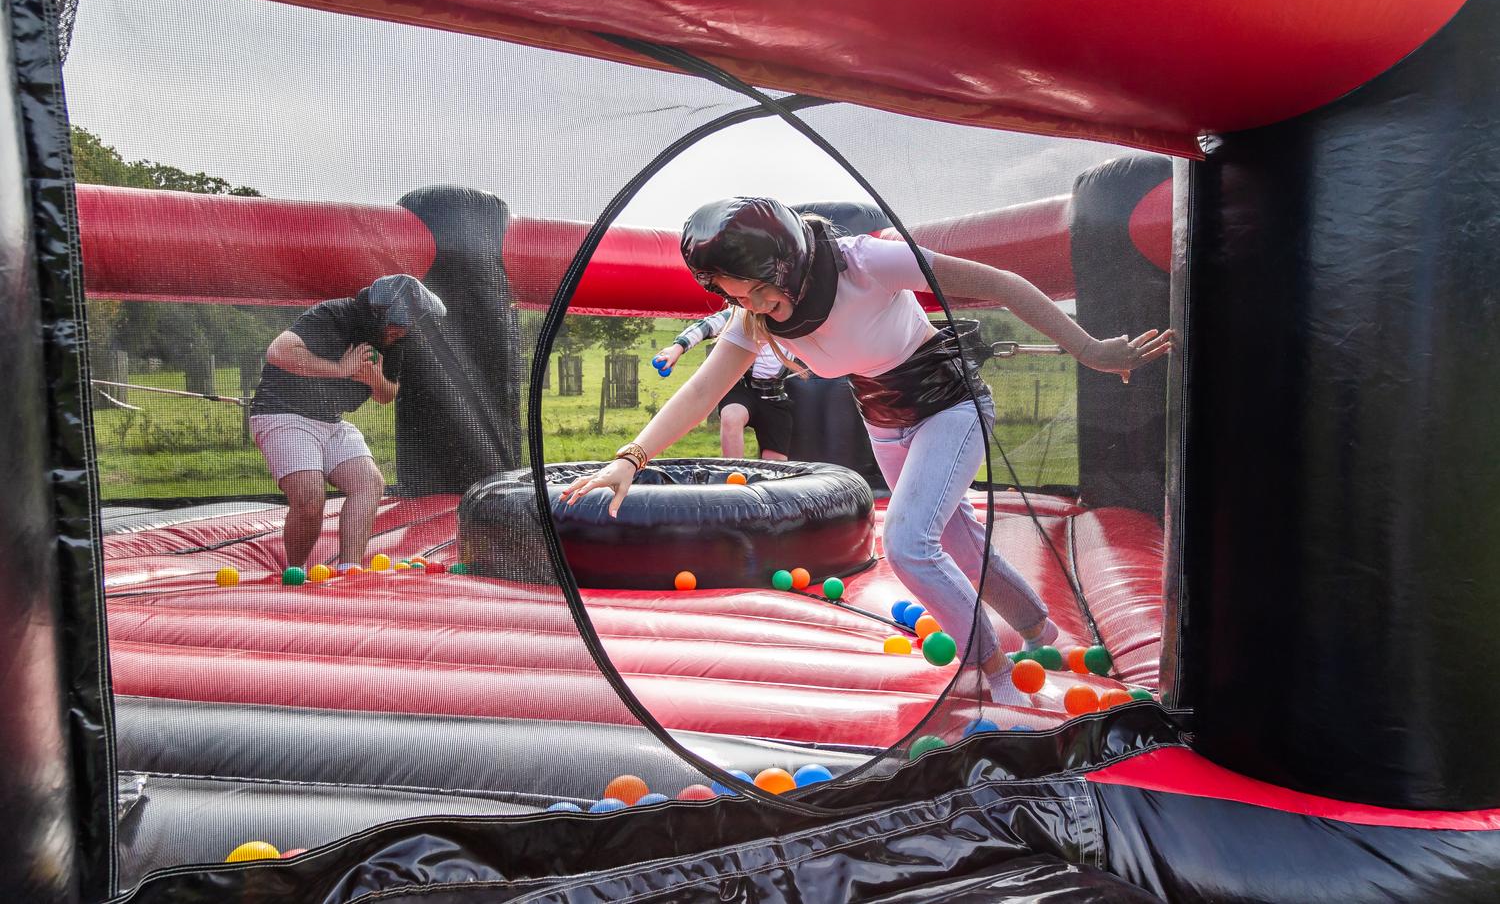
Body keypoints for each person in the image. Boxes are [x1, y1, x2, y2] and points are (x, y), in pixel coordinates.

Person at [561, 197, 1171, 705]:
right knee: (954, 534)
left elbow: (1001, 285)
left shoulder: (867, 263)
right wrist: (630, 458)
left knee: (907, 544)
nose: (750, 308)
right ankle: (1040, 626)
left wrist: (1090, 350)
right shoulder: (754, 319)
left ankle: (993, 671)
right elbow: (700, 390)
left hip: (949, 404)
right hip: (885, 419)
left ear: (788, 263)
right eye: (735, 297)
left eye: (755, 292)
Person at [249, 274, 446, 572]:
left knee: (369, 484)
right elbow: (279, 352)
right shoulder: (334, 315)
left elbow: (387, 394)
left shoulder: (395, 339)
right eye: (398, 324)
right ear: (379, 313)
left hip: (330, 421)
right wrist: (340, 368)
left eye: (409, 324)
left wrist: (374, 379)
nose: (402, 331)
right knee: (309, 495)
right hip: (283, 414)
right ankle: (294, 571)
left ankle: (349, 569)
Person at [654, 309, 794, 461]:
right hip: (739, 386)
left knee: (776, 461)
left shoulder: (795, 321)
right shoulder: (743, 314)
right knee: (732, 417)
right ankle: (734, 472)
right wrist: (677, 348)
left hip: (773, 395)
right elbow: (708, 325)